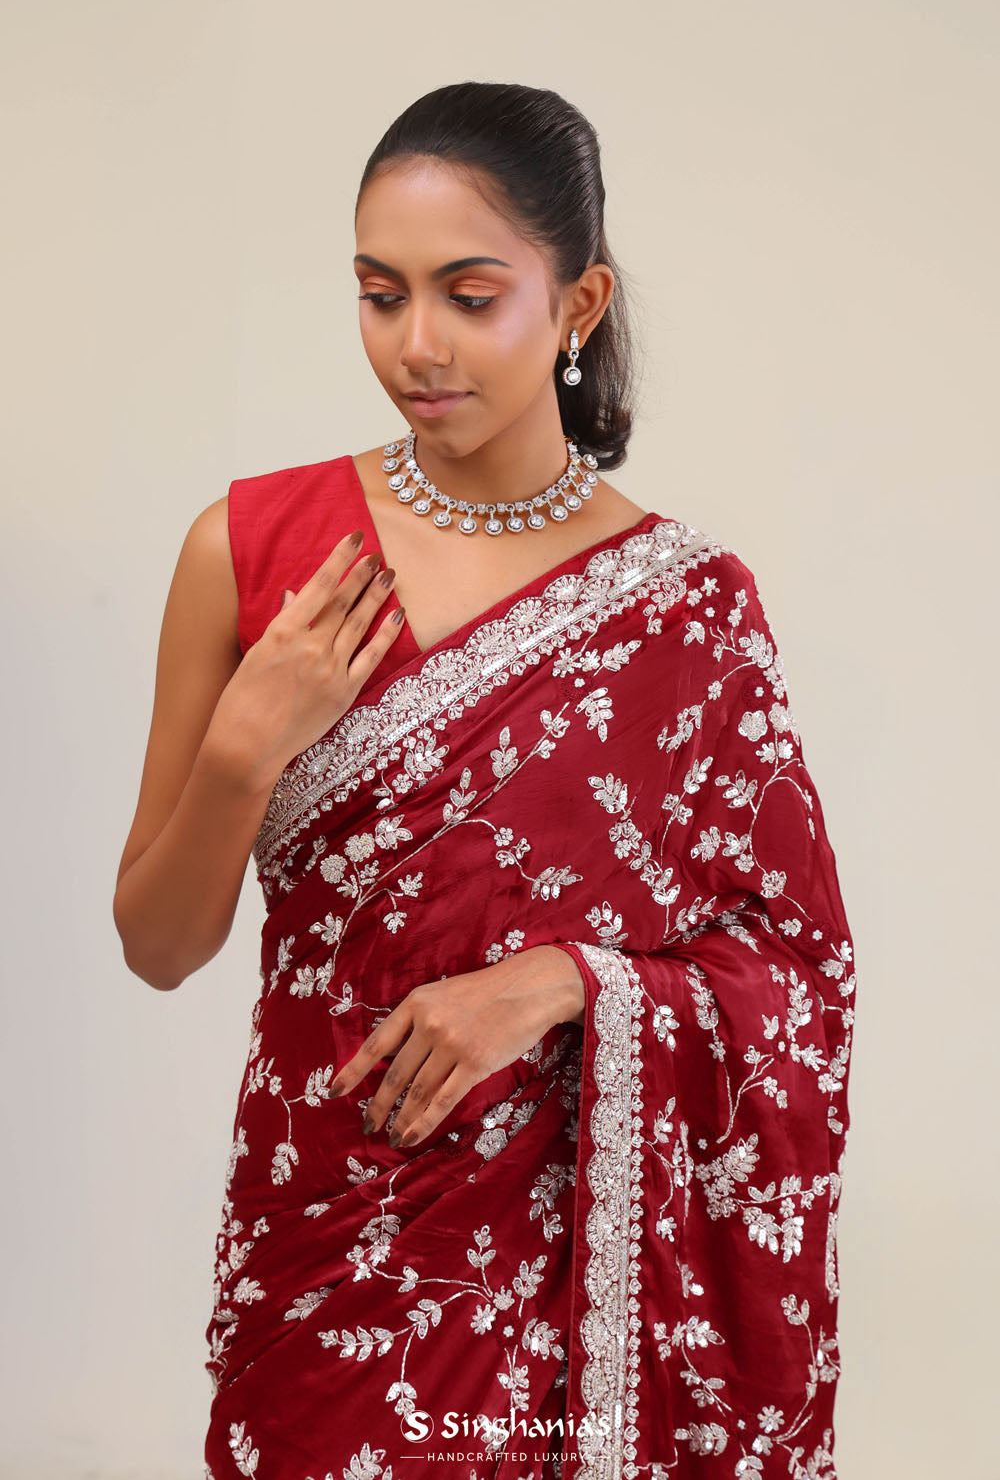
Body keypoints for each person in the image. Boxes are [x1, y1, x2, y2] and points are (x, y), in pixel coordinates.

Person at [113, 82, 857, 1480]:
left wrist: (566, 982)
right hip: (330, 1235)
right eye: (378, 294)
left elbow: (796, 968)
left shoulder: (687, 611)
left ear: (579, 305)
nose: (416, 345)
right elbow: (157, 945)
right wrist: (243, 747)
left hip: (568, 1279)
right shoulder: (253, 548)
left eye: (468, 296)